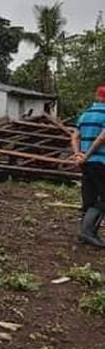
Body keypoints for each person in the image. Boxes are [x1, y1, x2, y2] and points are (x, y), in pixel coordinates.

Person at [71, 85, 105, 248]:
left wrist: (79, 155)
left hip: (86, 164)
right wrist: (88, 154)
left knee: (89, 197)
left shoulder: (85, 115)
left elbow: (75, 137)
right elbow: (101, 139)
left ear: (97, 97)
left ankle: (85, 236)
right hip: (100, 162)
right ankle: (88, 233)